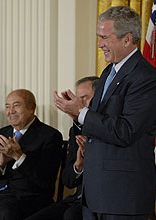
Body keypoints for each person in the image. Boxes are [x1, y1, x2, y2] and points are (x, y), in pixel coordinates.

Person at [54, 6, 156, 220]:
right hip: (96, 192)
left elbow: (126, 131)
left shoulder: (146, 79)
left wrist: (83, 112)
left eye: (105, 38)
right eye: (98, 37)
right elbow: (99, 120)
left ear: (127, 39)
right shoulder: (109, 71)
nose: (99, 44)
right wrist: (77, 114)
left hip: (122, 196)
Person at [0, 89, 63, 220]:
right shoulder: (0, 135)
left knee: (6, 213)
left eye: (16, 105)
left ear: (32, 108)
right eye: (7, 107)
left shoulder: (50, 136)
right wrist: (1, 162)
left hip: (30, 197)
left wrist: (19, 156)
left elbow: (45, 180)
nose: (11, 111)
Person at [26, 76, 99, 220]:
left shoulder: (106, 128)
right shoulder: (75, 130)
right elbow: (68, 181)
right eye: (77, 99)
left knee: (71, 216)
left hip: (99, 202)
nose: (79, 103)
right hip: (77, 199)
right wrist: (78, 166)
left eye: (84, 98)